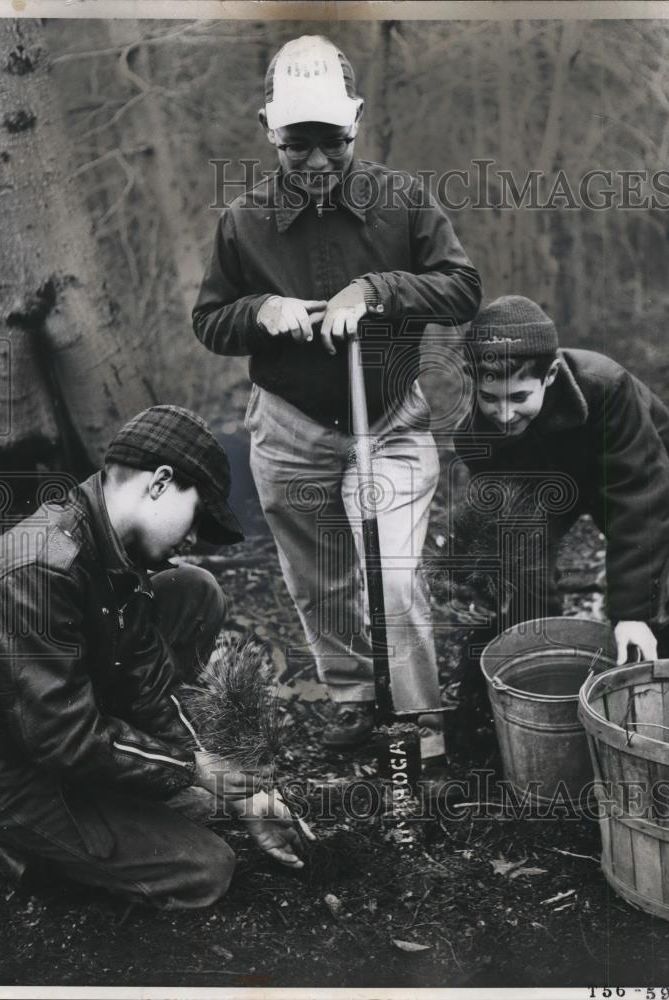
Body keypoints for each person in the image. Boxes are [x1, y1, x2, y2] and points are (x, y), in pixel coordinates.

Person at [192, 35, 482, 763]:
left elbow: (462, 288)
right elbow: (209, 320)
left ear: (354, 125)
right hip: (288, 429)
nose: (317, 163)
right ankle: (355, 696)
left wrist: (377, 290)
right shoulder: (243, 221)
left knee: (392, 574)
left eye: (333, 143)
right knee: (318, 580)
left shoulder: (403, 202)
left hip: (389, 421)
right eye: (297, 146)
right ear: (269, 132)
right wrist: (260, 309)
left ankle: (417, 721)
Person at [0, 405, 308, 911]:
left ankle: (111, 794)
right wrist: (192, 770)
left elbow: (147, 683)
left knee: (193, 587)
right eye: (198, 514)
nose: (196, 538)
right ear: (159, 483)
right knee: (205, 871)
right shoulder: (37, 567)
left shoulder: (114, 546)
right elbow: (64, 739)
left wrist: (235, 791)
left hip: (50, 735)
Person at [452, 295, 669, 665]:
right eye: (490, 399)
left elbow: (640, 498)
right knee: (521, 566)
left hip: (635, 462)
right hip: (544, 476)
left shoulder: (608, 385)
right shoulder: (477, 436)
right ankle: (542, 661)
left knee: (648, 571)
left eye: (519, 397)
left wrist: (631, 612)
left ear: (549, 376)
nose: (503, 414)